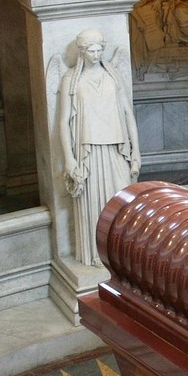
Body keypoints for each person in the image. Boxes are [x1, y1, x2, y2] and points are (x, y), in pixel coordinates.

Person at [56, 30, 141, 266]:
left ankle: (123, 250)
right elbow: (63, 122)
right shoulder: (71, 80)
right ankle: (98, 252)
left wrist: (136, 151)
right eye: (91, 51)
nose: (96, 55)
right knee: (94, 204)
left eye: (99, 50)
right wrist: (70, 160)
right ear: (82, 52)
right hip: (89, 152)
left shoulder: (112, 76)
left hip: (116, 148)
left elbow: (127, 114)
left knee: (124, 200)